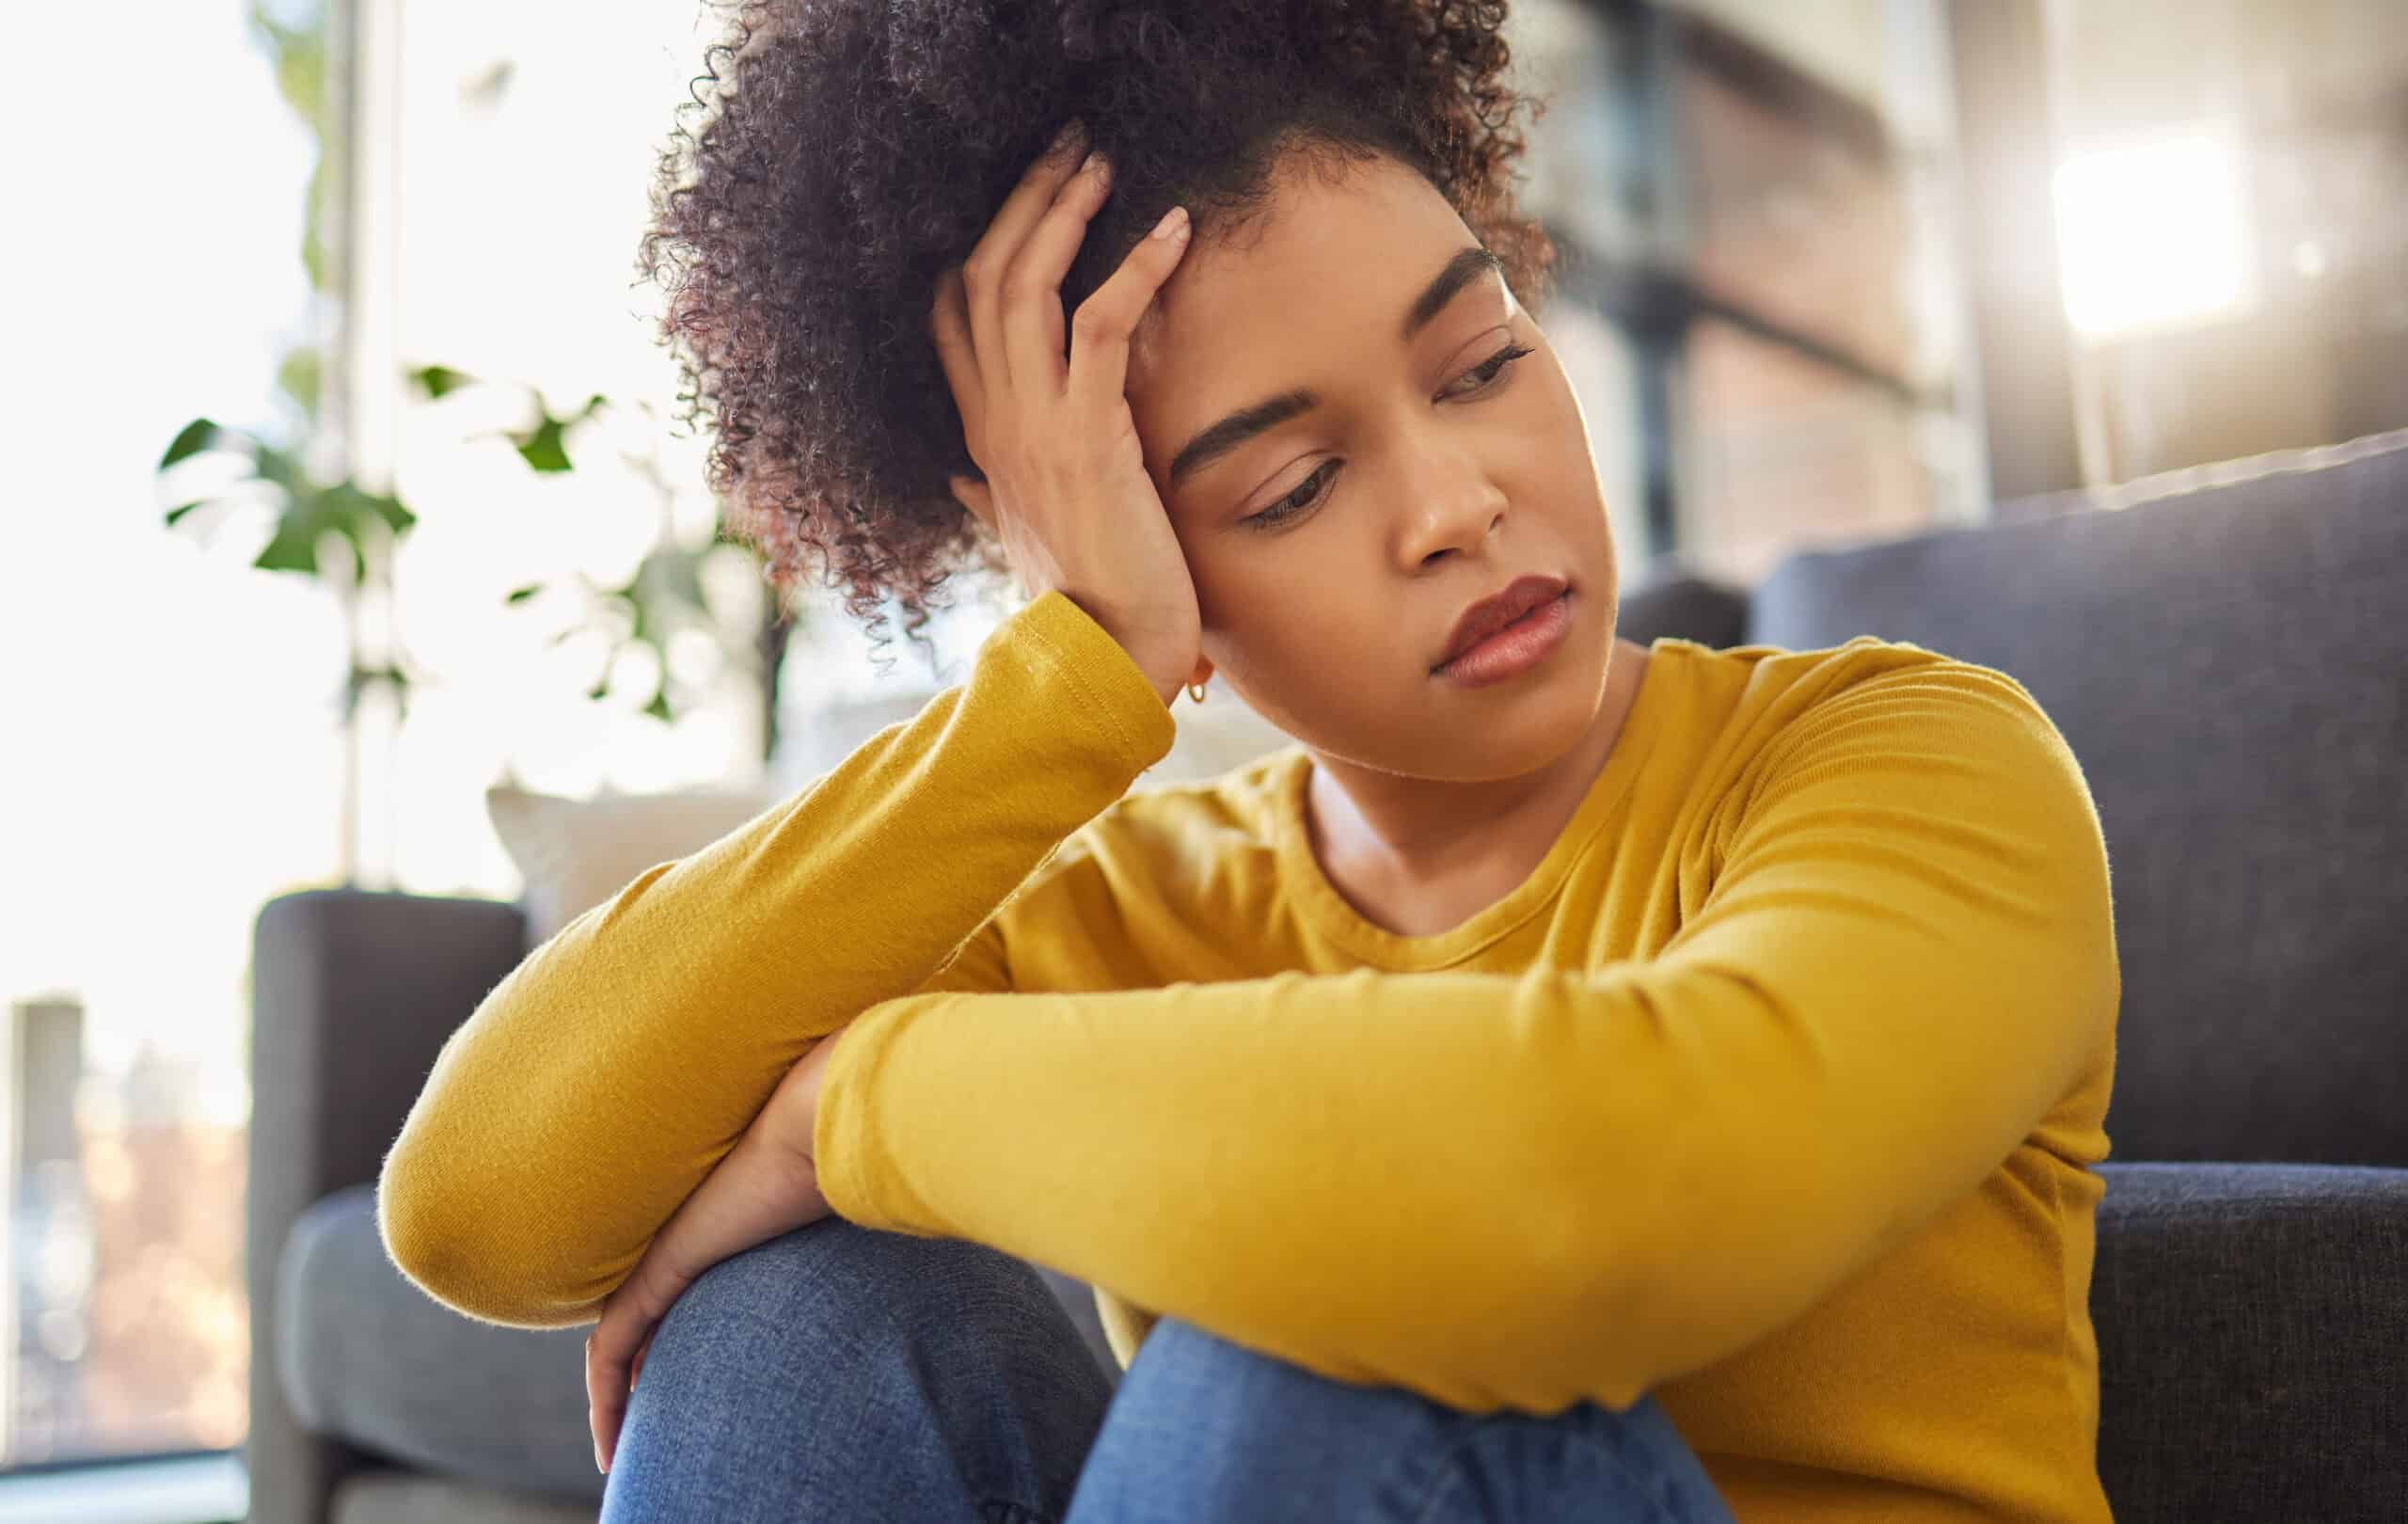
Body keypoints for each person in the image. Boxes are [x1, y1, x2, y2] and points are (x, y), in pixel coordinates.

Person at [374, 3, 2122, 1520]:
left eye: (1482, 360)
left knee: (1346, 1323)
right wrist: (1064, 685)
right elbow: (483, 1210)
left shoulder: (1910, 756)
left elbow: (1595, 1209)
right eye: (1290, 488)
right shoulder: (1135, 904)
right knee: (796, 1319)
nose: (1456, 505)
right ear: (1126, 544)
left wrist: (852, 1106)